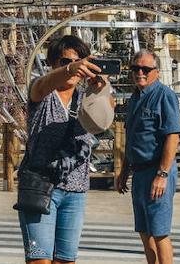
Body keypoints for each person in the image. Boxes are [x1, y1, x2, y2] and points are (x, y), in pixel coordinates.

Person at [17, 34, 106, 264]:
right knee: (39, 260)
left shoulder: (86, 100)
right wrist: (70, 70)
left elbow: (104, 122)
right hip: (41, 186)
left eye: (77, 62)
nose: (73, 68)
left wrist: (102, 92)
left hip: (75, 190)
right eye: (65, 62)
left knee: (66, 260)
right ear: (53, 64)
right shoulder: (43, 94)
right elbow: (42, 85)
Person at [117, 50, 180, 264]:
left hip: (157, 171)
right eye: (135, 68)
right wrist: (124, 170)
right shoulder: (134, 98)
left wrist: (162, 174)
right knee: (145, 232)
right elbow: (133, 137)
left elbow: (172, 136)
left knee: (159, 232)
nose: (140, 73)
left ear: (157, 71)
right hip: (139, 172)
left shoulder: (164, 95)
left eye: (145, 69)